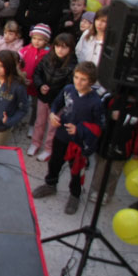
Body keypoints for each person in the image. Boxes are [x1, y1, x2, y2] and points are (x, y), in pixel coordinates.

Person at [32, 61, 103, 215]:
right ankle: (50, 184)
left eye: (83, 79)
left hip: (78, 143)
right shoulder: (68, 89)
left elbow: (98, 127)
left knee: (76, 170)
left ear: (91, 81)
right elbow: (57, 103)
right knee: (55, 162)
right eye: (76, 77)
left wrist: (80, 130)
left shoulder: (96, 102)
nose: (78, 82)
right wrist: (52, 114)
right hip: (61, 136)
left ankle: (75, 195)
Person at [29, 33, 78, 162]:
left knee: (52, 127)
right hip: (43, 97)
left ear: (70, 49)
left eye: (64, 47)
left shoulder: (72, 66)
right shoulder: (47, 58)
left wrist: (56, 96)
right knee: (39, 122)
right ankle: (35, 143)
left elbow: (69, 87)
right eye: (58, 46)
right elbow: (37, 73)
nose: (60, 50)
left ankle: (48, 149)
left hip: (58, 102)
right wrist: (40, 85)